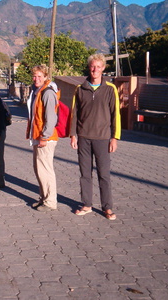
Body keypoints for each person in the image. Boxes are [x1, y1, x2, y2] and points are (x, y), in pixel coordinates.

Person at [70, 53, 121, 220]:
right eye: (93, 66)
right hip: (84, 137)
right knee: (85, 173)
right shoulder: (80, 89)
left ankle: (107, 207)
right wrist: (73, 135)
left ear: (103, 68)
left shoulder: (110, 89)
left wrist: (115, 138)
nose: (95, 69)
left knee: (103, 174)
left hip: (103, 138)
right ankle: (86, 204)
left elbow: (116, 115)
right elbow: (74, 114)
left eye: (98, 66)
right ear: (89, 67)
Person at [26, 65, 60, 211]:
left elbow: (51, 118)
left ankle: (50, 202)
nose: (36, 79)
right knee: (39, 169)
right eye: (34, 76)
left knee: (45, 170)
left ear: (46, 77)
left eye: (40, 76)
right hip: (38, 136)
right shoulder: (37, 91)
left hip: (45, 138)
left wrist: (44, 137)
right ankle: (44, 197)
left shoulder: (47, 93)